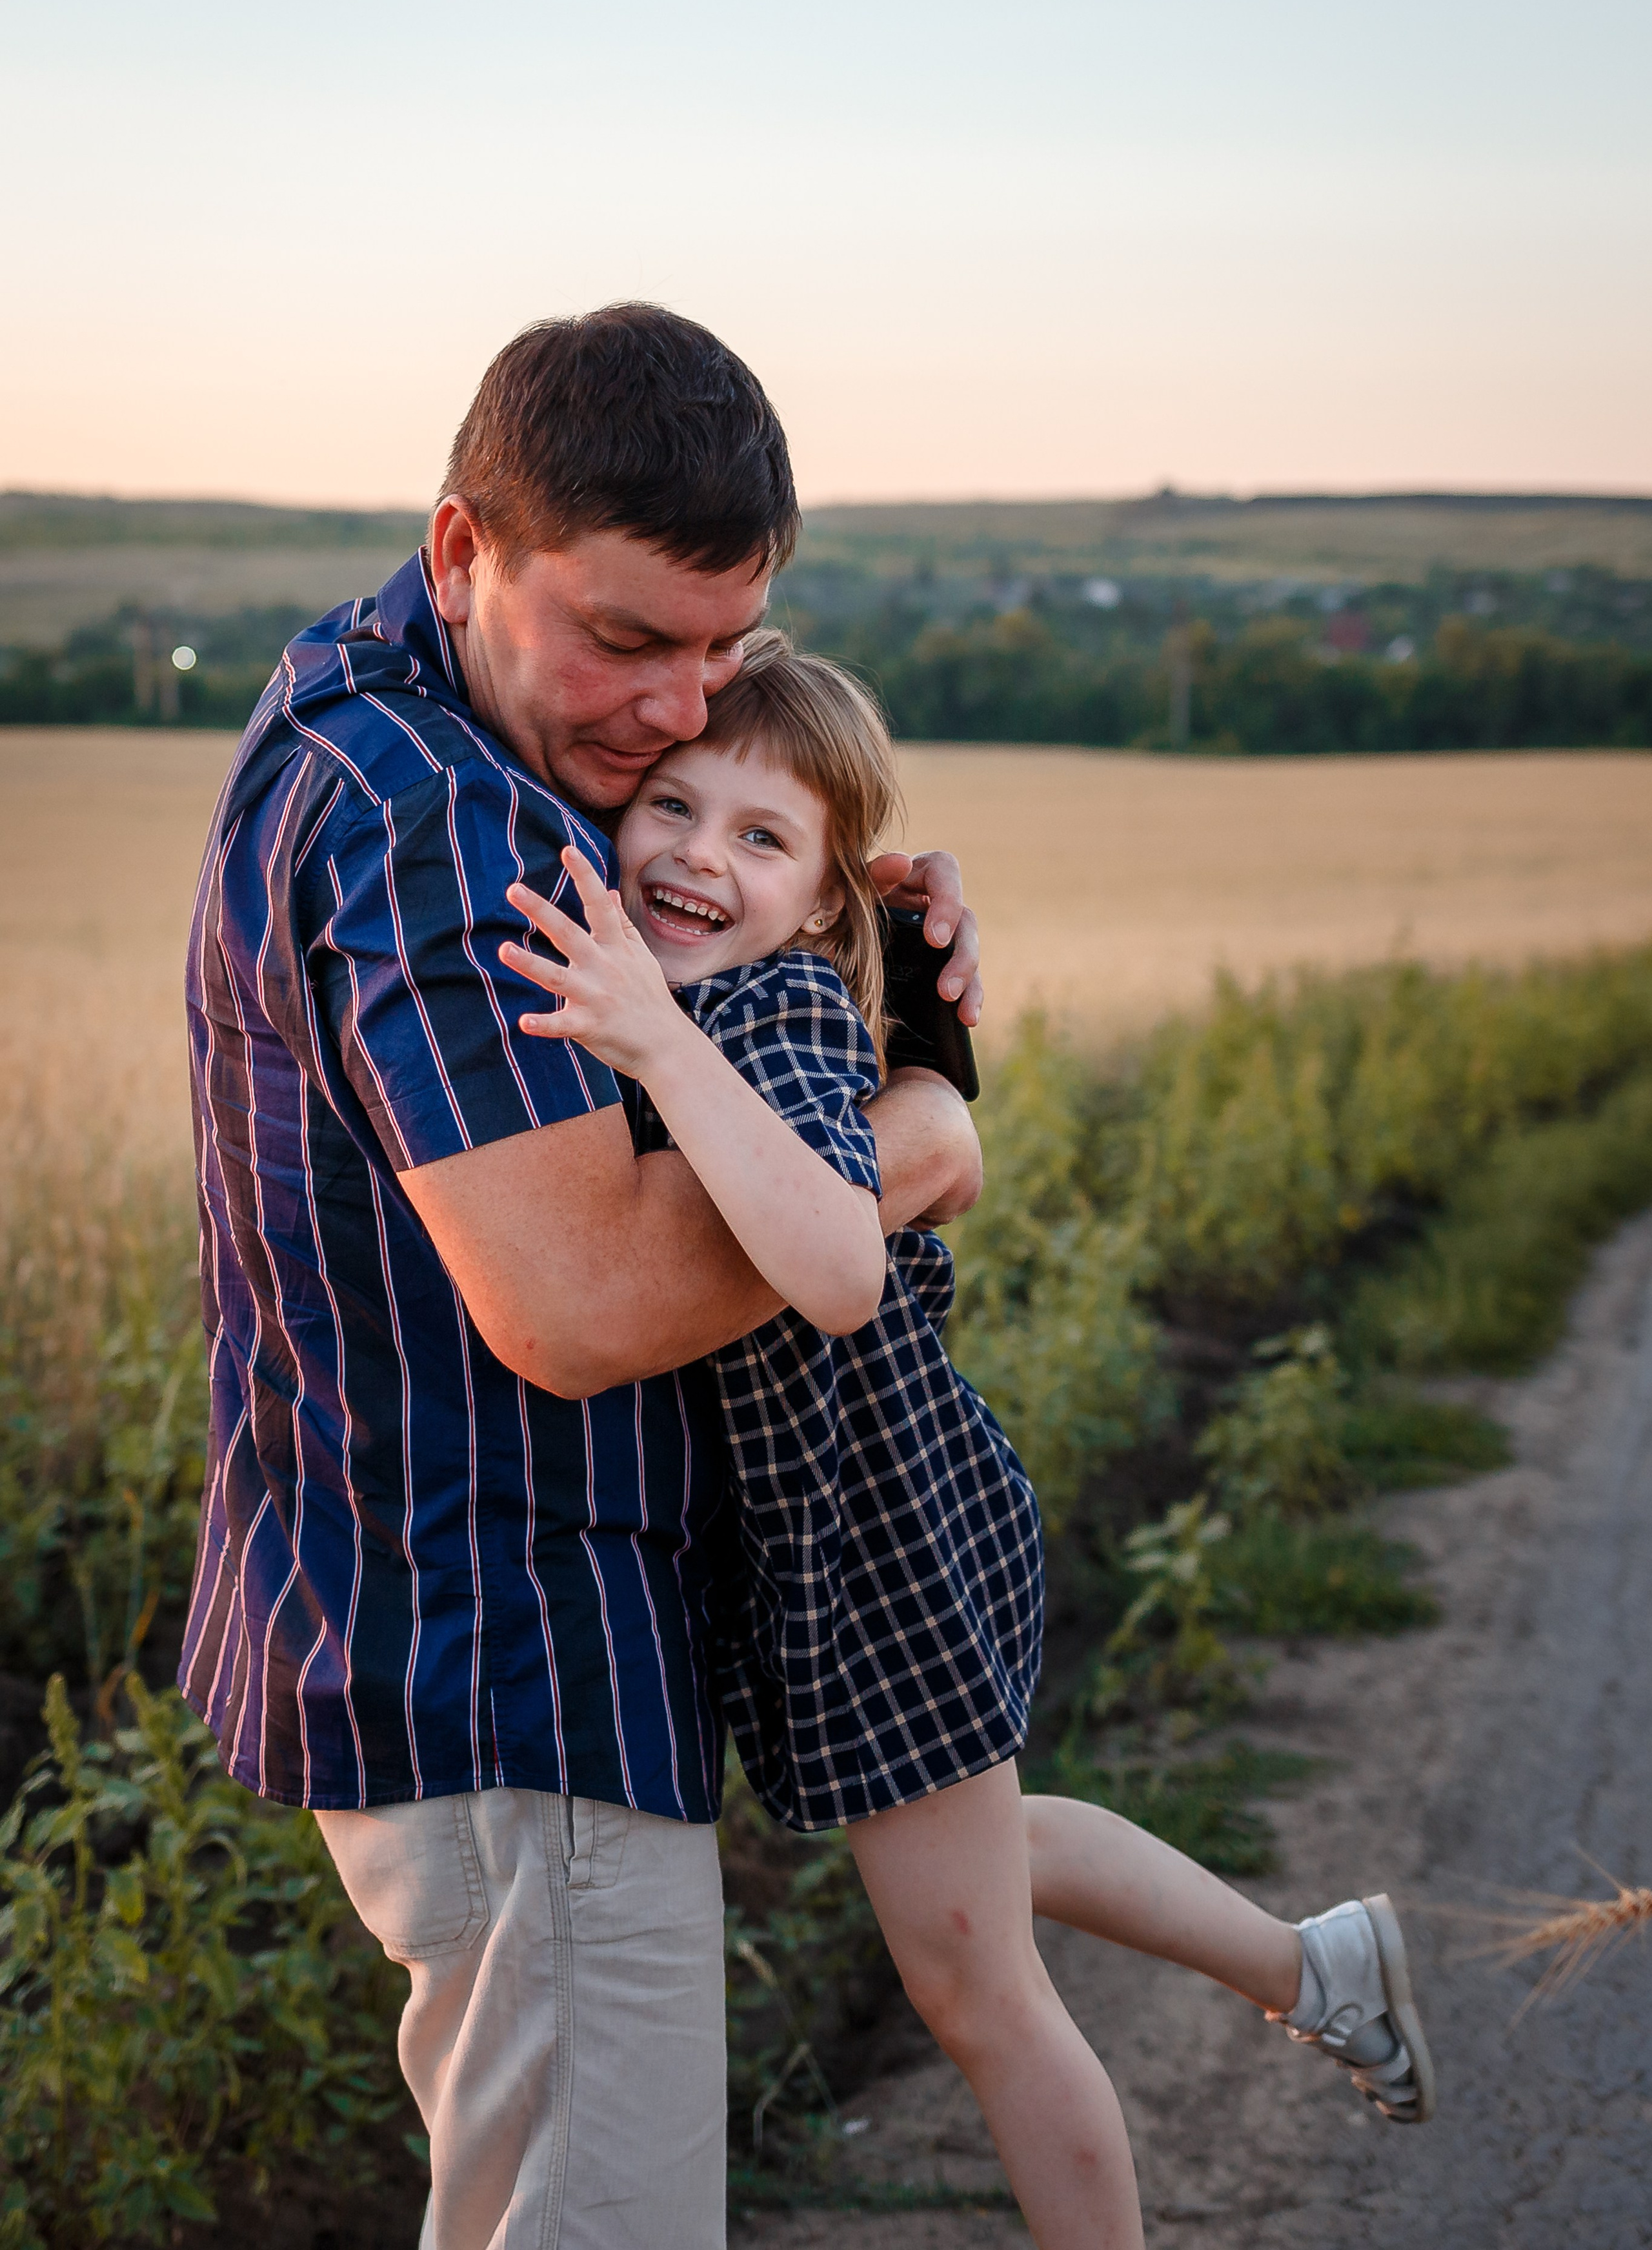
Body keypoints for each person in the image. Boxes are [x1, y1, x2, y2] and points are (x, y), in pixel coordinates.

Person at [178, 308, 987, 2249]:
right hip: (510, 1656)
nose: (676, 708)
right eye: (627, 640)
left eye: (722, 647)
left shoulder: (381, 703)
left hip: (468, 1645)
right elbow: (584, 1305)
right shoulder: (434, 815)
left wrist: (852, 982)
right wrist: (916, 1134)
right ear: (464, 550)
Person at [501, 631, 1436, 2250]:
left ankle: (1279, 2019)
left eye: (759, 835)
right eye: (669, 805)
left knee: (974, 1989)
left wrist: (655, 1038)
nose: (697, 856)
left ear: (823, 896)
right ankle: (1315, 1965)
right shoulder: (734, 984)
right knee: (978, 1859)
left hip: (884, 1540)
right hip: (862, 1529)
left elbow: (836, 1268)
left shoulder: (770, 1013)